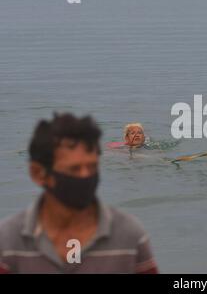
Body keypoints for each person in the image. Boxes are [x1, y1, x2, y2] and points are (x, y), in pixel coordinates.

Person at [0, 113, 158, 274]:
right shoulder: (8, 240)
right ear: (38, 173)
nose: (85, 176)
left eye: (91, 167)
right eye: (73, 168)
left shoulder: (130, 235)